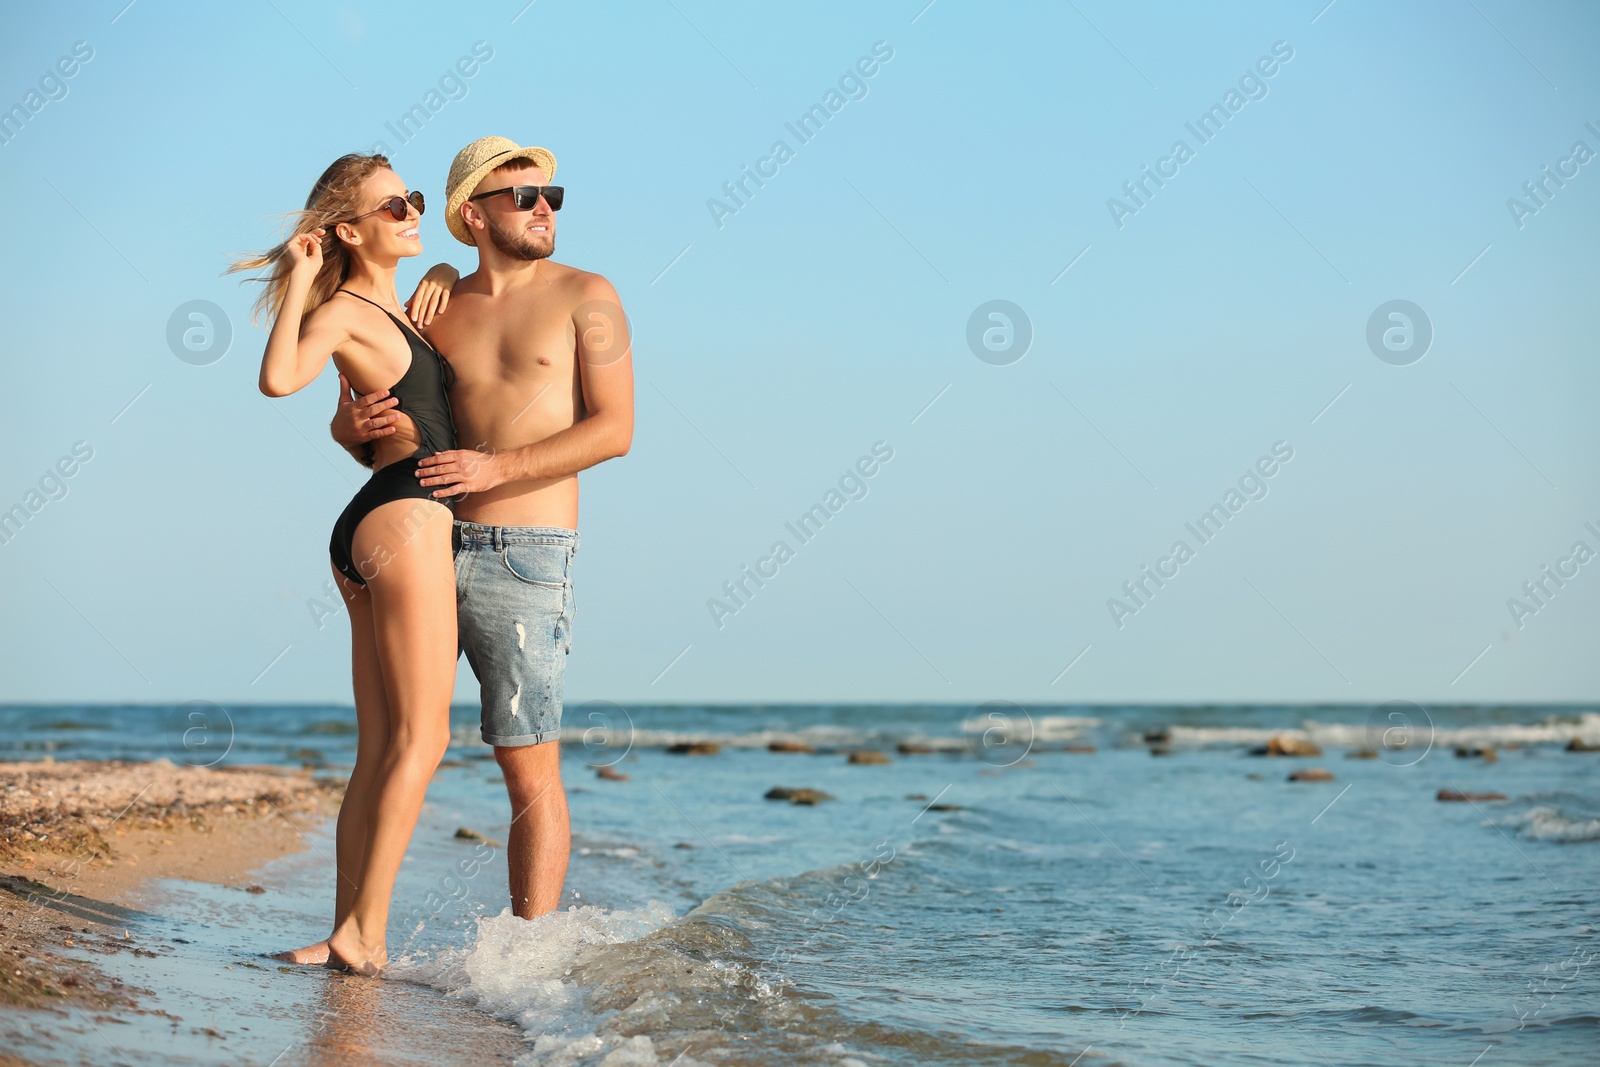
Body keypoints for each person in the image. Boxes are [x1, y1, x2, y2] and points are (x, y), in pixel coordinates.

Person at [333, 136, 635, 920]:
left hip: (528, 555)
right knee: (397, 745)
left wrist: (494, 469)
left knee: (525, 764)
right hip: (426, 542)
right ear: (473, 213)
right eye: (524, 195)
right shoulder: (436, 307)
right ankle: (356, 934)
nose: (544, 208)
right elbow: (392, 433)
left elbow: (615, 430)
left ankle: (528, 965)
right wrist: (347, 427)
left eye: (552, 196)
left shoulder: (589, 295)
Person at [233, 154, 458, 974]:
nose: (410, 211)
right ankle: (363, 935)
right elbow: (279, 377)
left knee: (380, 745)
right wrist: (298, 277)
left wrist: (434, 262)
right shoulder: (348, 310)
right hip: (406, 520)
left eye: (414, 200)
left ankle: (344, 931)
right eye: (392, 205)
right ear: (348, 230)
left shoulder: (397, 307)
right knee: (424, 736)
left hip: (377, 521)